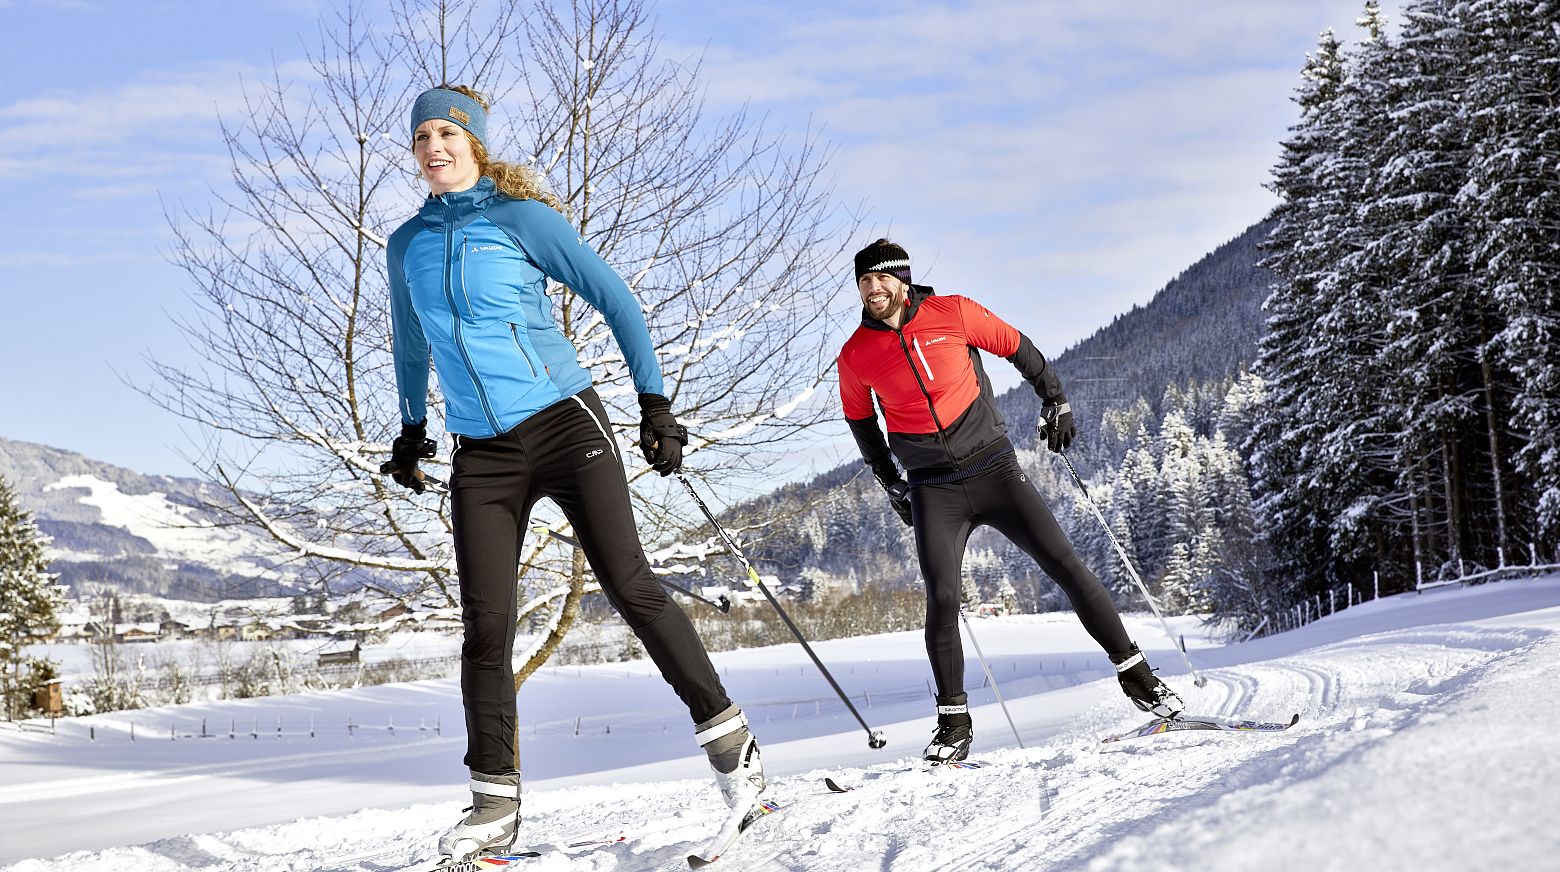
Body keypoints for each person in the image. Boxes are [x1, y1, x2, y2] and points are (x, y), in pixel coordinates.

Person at [379, 85, 764, 862]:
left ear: (474, 143)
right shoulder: (405, 244)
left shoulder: (519, 219)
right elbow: (409, 340)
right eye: (422, 136)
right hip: (480, 451)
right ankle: (493, 801)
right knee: (486, 627)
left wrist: (654, 404)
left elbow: (617, 301)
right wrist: (412, 428)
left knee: (631, 584)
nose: (433, 147)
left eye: (447, 133)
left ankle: (733, 751)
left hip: (563, 421)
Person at [836, 239, 1184, 763]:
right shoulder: (856, 354)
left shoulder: (952, 312)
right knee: (943, 598)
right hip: (932, 487)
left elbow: (1018, 347)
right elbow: (861, 423)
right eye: (863, 282)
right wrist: (891, 483)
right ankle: (953, 723)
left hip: (994, 467)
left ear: (901, 280)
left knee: (1065, 564)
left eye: (880, 279)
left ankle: (1139, 676)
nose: (872, 290)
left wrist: (1056, 398)